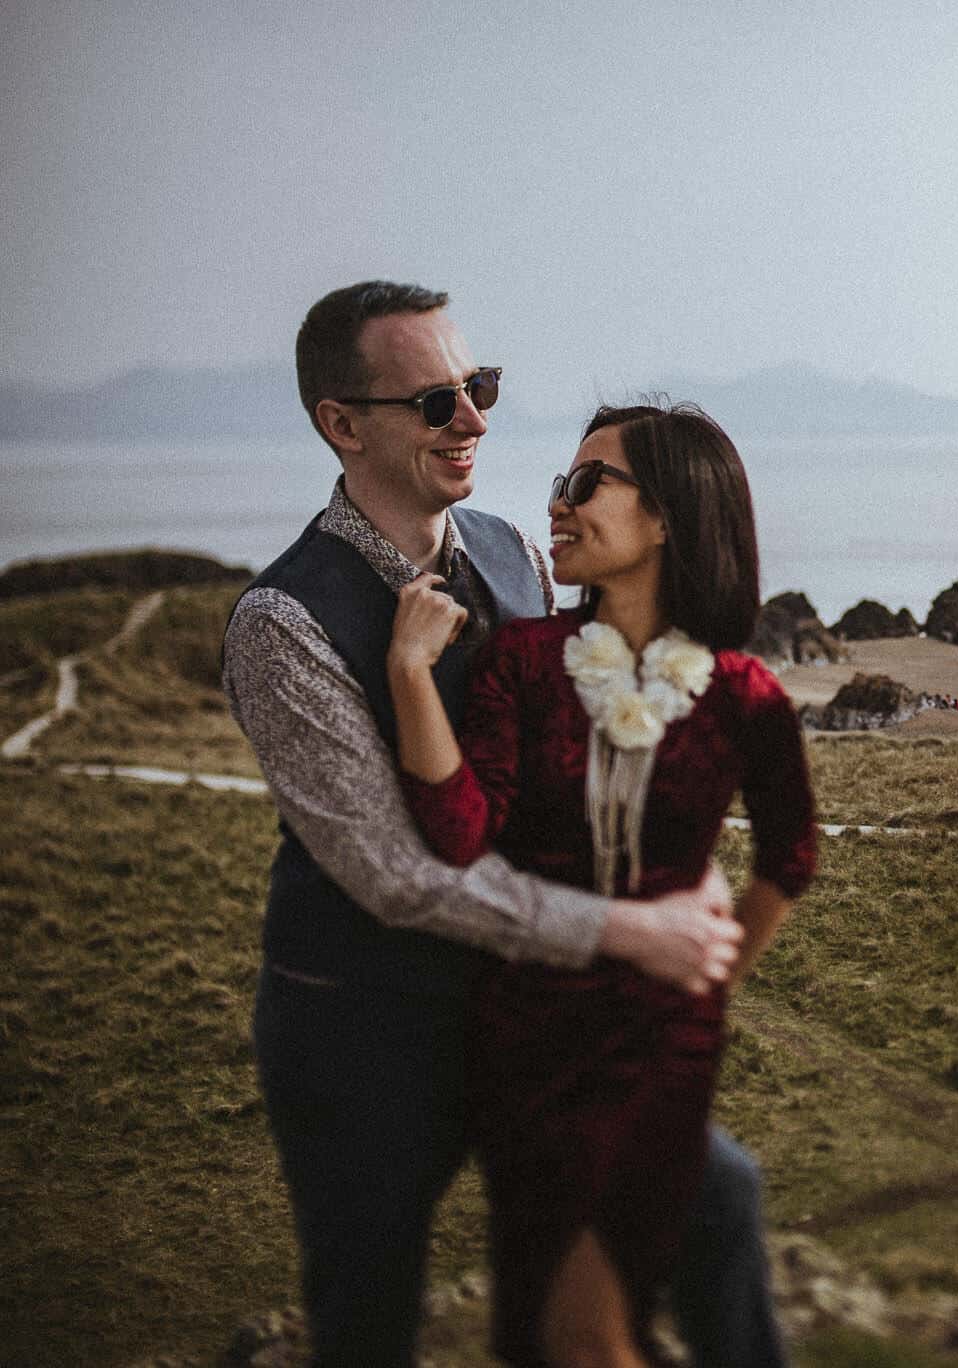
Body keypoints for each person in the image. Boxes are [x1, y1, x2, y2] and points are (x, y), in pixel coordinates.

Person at [222, 281, 787, 1367]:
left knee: (717, 1202)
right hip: (363, 1030)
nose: (475, 421)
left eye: (477, 388)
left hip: (525, 1012)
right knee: (368, 1324)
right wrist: (627, 934)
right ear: (342, 425)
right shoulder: (281, 624)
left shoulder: (512, 551)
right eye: (436, 403)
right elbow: (395, 878)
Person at [387, 401, 816, 1366]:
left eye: (586, 485)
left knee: (591, 1333)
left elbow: (791, 854)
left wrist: (706, 979)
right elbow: (458, 836)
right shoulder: (523, 665)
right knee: (555, 1333)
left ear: (667, 517)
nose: (558, 507)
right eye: (557, 486)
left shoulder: (743, 694)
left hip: (664, 1054)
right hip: (528, 1045)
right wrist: (413, 675)